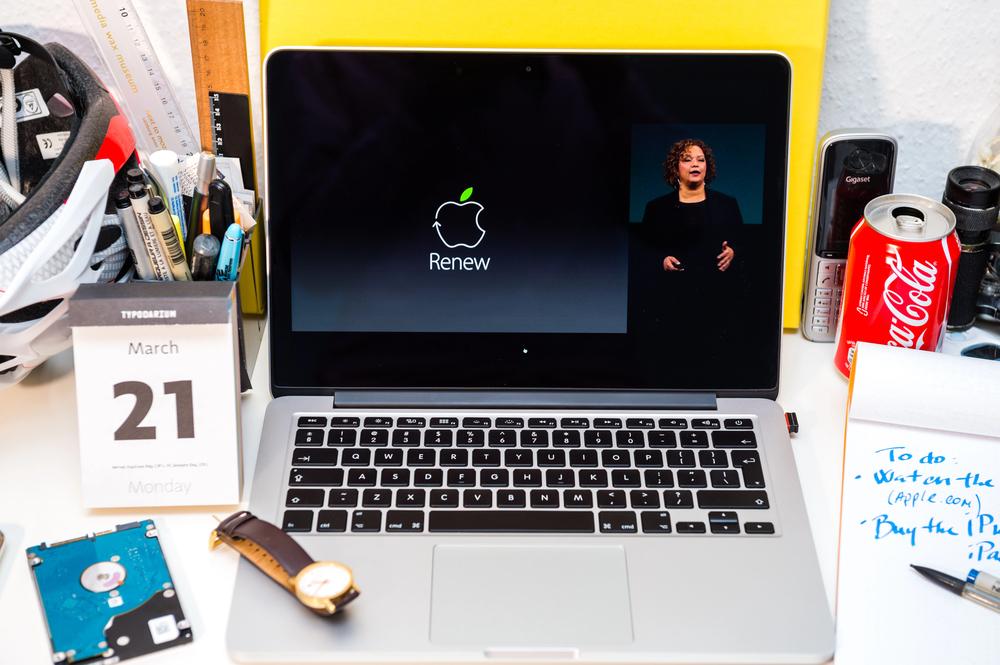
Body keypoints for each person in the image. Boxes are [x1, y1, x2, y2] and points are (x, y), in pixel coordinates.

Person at [639, 139, 744, 277]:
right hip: (673, 284)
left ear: (707, 167)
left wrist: (732, 252)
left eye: (701, 160)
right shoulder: (656, 208)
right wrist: (662, 260)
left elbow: (743, 243)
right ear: (675, 168)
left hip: (717, 282)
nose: (695, 164)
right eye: (687, 160)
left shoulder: (727, 204)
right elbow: (644, 250)